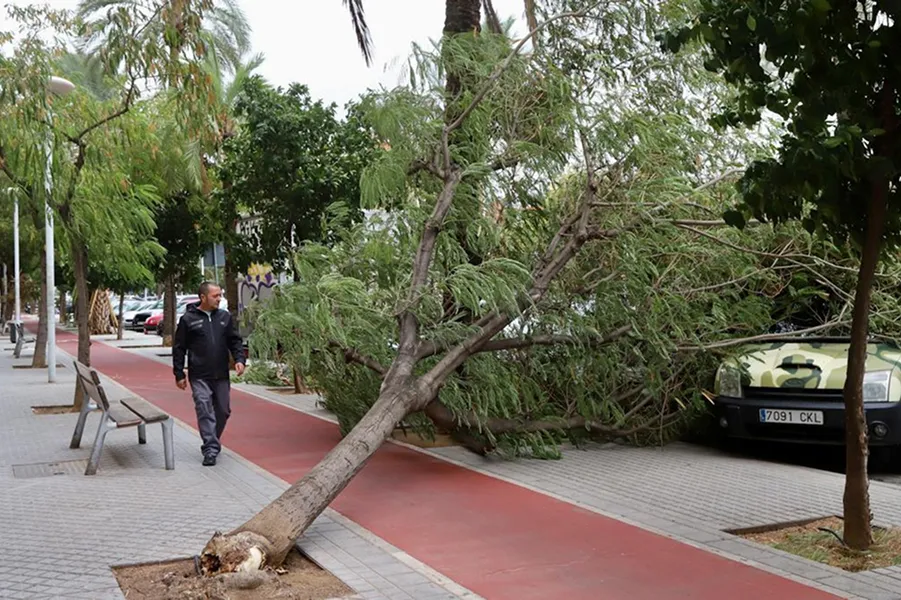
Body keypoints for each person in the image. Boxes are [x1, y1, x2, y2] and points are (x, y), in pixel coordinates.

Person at [172, 281, 246, 466]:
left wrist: (239, 359)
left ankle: (212, 438)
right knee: (204, 407)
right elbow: (179, 348)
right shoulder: (188, 319)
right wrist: (179, 373)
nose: (219, 299)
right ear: (203, 297)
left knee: (223, 410)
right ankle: (210, 449)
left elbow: (235, 341)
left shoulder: (224, 317)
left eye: (220, 295)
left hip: (221, 374)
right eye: (215, 296)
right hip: (199, 375)